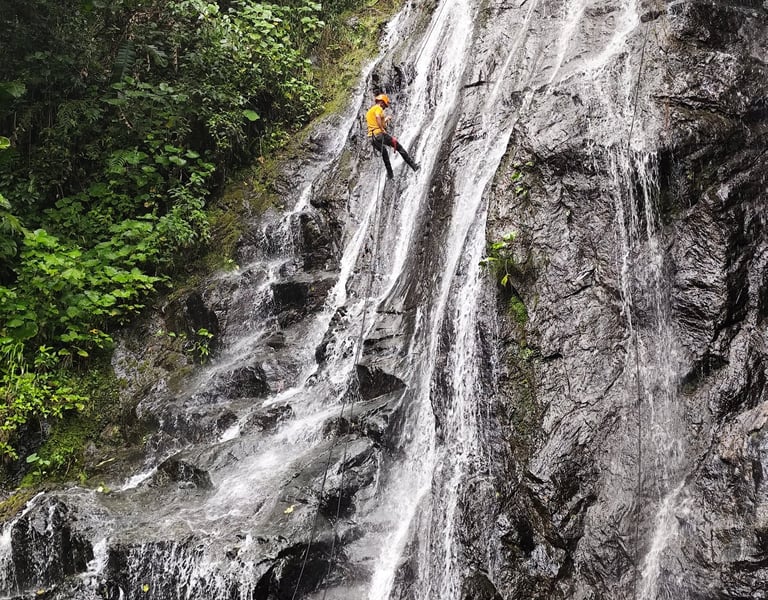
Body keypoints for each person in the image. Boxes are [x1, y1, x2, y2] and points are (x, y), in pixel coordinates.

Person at [365, 93, 420, 179]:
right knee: (399, 147)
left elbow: (375, 121)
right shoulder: (378, 108)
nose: (384, 108)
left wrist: (385, 120)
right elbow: (377, 116)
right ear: (382, 102)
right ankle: (414, 166)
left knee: (385, 154)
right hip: (379, 134)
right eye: (384, 106)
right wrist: (382, 129)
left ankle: (390, 175)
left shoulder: (369, 111)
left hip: (372, 138)